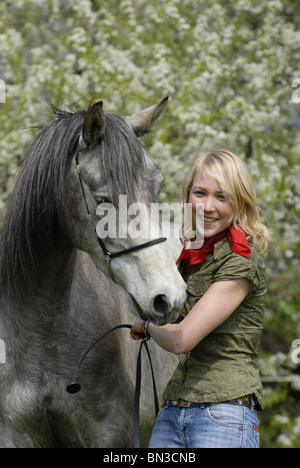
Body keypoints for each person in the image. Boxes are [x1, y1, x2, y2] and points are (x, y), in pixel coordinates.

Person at [130, 149, 272, 448]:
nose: (208, 207)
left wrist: (147, 327)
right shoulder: (191, 256)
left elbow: (181, 339)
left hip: (225, 414)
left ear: (240, 202)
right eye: (200, 193)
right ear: (187, 196)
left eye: (222, 197)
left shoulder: (240, 259)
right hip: (173, 410)